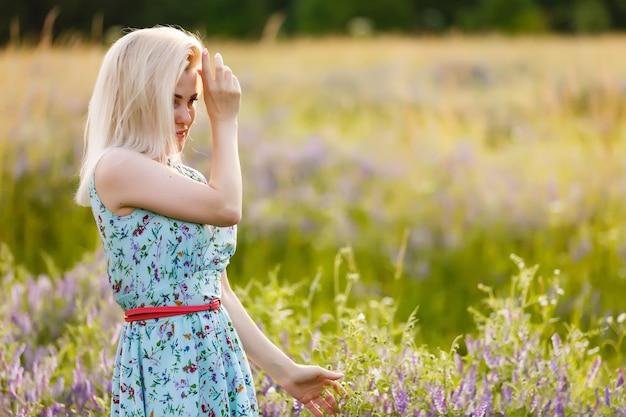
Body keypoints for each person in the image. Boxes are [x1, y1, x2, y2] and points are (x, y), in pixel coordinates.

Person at [75, 26, 345, 417]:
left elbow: (217, 293)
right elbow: (226, 207)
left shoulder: (188, 179)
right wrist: (226, 121)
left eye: (193, 101)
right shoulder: (116, 166)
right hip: (166, 364)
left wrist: (286, 373)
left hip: (217, 360)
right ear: (138, 99)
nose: (187, 116)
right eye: (172, 102)